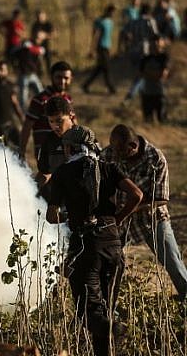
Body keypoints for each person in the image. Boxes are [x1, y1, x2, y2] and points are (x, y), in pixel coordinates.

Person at [47, 125, 142, 356]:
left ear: (70, 148)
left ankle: (116, 328)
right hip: (113, 245)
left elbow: (51, 216)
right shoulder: (109, 168)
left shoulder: (63, 172)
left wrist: (70, 215)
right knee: (105, 309)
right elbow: (137, 195)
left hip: (86, 248)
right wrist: (116, 219)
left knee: (89, 312)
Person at [104, 124, 187, 300]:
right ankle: (108, 302)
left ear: (133, 147)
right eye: (113, 149)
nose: (116, 155)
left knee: (172, 261)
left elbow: (162, 198)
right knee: (109, 261)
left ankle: (185, 296)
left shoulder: (155, 158)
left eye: (120, 151)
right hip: (119, 219)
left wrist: (132, 207)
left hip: (151, 219)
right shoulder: (109, 153)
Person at [19, 61, 73, 160]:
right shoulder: (40, 99)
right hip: (46, 153)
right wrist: (22, 151)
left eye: (66, 78)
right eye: (59, 77)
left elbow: (73, 123)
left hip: (65, 152)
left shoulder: (68, 99)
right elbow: (27, 126)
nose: (62, 81)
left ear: (71, 78)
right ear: (52, 77)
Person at [35, 96, 77, 202]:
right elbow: (44, 174)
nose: (55, 126)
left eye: (59, 121)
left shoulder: (84, 138)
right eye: (51, 121)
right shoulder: (49, 141)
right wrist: (29, 191)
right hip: (59, 201)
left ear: (71, 116)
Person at [82, 5, 117, 94]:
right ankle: (111, 87)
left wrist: (111, 48)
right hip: (101, 47)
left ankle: (86, 85)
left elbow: (109, 36)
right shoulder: (100, 21)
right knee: (107, 68)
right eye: (112, 12)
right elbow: (95, 36)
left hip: (107, 47)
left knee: (100, 68)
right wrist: (92, 50)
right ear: (108, 11)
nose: (113, 14)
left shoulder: (110, 22)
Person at [137, 34, 169, 122]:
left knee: (161, 120)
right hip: (147, 93)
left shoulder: (164, 57)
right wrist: (155, 74)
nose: (155, 46)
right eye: (152, 44)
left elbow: (163, 75)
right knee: (147, 121)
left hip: (159, 93)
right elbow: (140, 74)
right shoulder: (145, 58)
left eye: (157, 44)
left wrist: (148, 73)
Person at [14, 31, 46, 109]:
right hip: (24, 74)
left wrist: (29, 48)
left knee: (41, 94)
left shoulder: (39, 48)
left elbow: (38, 50)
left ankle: (43, 110)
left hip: (32, 74)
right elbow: (16, 51)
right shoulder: (26, 43)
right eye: (36, 37)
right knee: (23, 98)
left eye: (39, 38)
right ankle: (24, 114)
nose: (37, 39)